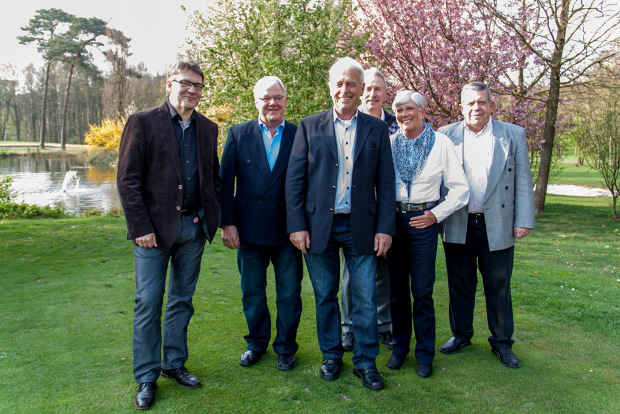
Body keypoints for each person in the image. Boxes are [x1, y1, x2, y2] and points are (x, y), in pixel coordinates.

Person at [286, 57, 395, 391]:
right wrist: (297, 225)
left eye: (352, 83)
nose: (345, 89)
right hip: (318, 227)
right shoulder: (308, 126)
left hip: (362, 226)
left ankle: (365, 362)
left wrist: (385, 228)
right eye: (339, 83)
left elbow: (387, 183)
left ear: (361, 89)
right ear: (330, 86)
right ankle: (331, 355)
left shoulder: (377, 128)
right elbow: (294, 181)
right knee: (324, 297)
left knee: (365, 298)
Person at [117, 59, 221, 410]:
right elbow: (127, 180)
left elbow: (213, 178)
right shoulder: (143, 122)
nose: (192, 90)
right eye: (185, 82)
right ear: (169, 84)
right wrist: (140, 228)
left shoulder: (209, 129)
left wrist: (210, 217)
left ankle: (174, 364)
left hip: (193, 229)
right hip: (153, 233)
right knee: (148, 302)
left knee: (182, 300)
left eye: (198, 85)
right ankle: (146, 376)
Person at [437, 82, 534, 369]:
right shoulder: (445, 135)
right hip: (458, 222)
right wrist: (436, 218)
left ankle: (502, 343)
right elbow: (438, 181)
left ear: (491, 105)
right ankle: (461, 334)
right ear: (461, 106)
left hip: (498, 222)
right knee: (460, 283)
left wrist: (524, 220)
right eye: (470, 103)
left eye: (481, 102)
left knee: (499, 286)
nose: (475, 108)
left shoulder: (513, 134)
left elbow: (524, 180)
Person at [220, 76, 303, 371]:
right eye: (266, 97)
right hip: (248, 229)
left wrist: (303, 225)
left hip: (288, 230)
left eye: (278, 96)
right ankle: (256, 343)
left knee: (290, 294)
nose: (272, 103)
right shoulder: (237, 134)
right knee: (252, 292)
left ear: (285, 99)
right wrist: (227, 224)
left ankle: (285, 347)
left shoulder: (299, 133)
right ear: (256, 101)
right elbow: (224, 182)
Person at [385, 90, 469, 378]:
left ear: (422, 110)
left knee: (422, 291)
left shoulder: (442, 144)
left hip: (424, 221)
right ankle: (399, 349)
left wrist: (435, 214)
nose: (404, 114)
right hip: (394, 222)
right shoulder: (389, 143)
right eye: (398, 109)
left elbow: (461, 189)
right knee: (397, 292)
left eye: (409, 108)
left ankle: (425, 353)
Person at [340, 67, 398, 352]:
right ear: (360, 91)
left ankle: (382, 324)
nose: (372, 94)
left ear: (385, 93)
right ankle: (349, 327)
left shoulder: (397, 124)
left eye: (378, 89)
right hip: (355, 212)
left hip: (386, 209)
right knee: (352, 274)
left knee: (383, 269)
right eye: (368, 89)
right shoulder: (349, 121)